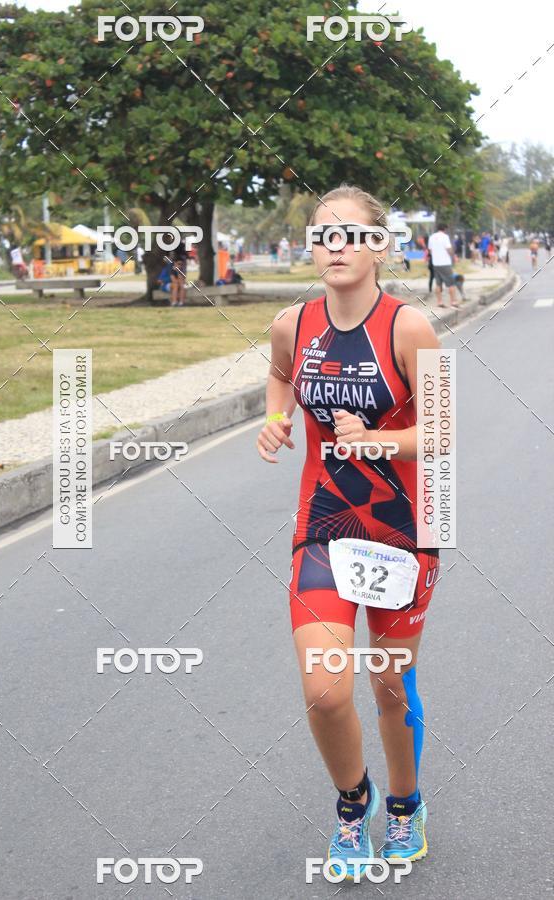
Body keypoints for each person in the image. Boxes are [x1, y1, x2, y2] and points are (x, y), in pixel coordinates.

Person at [257, 184, 441, 879]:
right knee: (327, 690)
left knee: (390, 688)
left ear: (379, 246)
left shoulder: (411, 328)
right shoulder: (290, 323)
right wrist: (275, 419)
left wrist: (378, 441)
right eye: (322, 235)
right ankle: (351, 805)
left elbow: (444, 430)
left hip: (400, 532)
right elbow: (279, 376)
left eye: (350, 235)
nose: (335, 247)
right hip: (323, 530)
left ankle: (405, 806)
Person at [428, 224, 459, 308]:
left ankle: (439, 302)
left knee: (438, 284)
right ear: (445, 229)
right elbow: (448, 249)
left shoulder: (431, 237)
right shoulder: (445, 237)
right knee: (451, 283)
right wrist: (453, 255)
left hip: (436, 264)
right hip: (445, 263)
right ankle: (453, 302)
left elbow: (430, 250)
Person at [169, 240, 188, 306]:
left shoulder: (177, 259)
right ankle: (178, 302)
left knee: (181, 285)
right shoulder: (182, 259)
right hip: (176, 274)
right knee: (178, 285)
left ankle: (178, 302)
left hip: (178, 272)